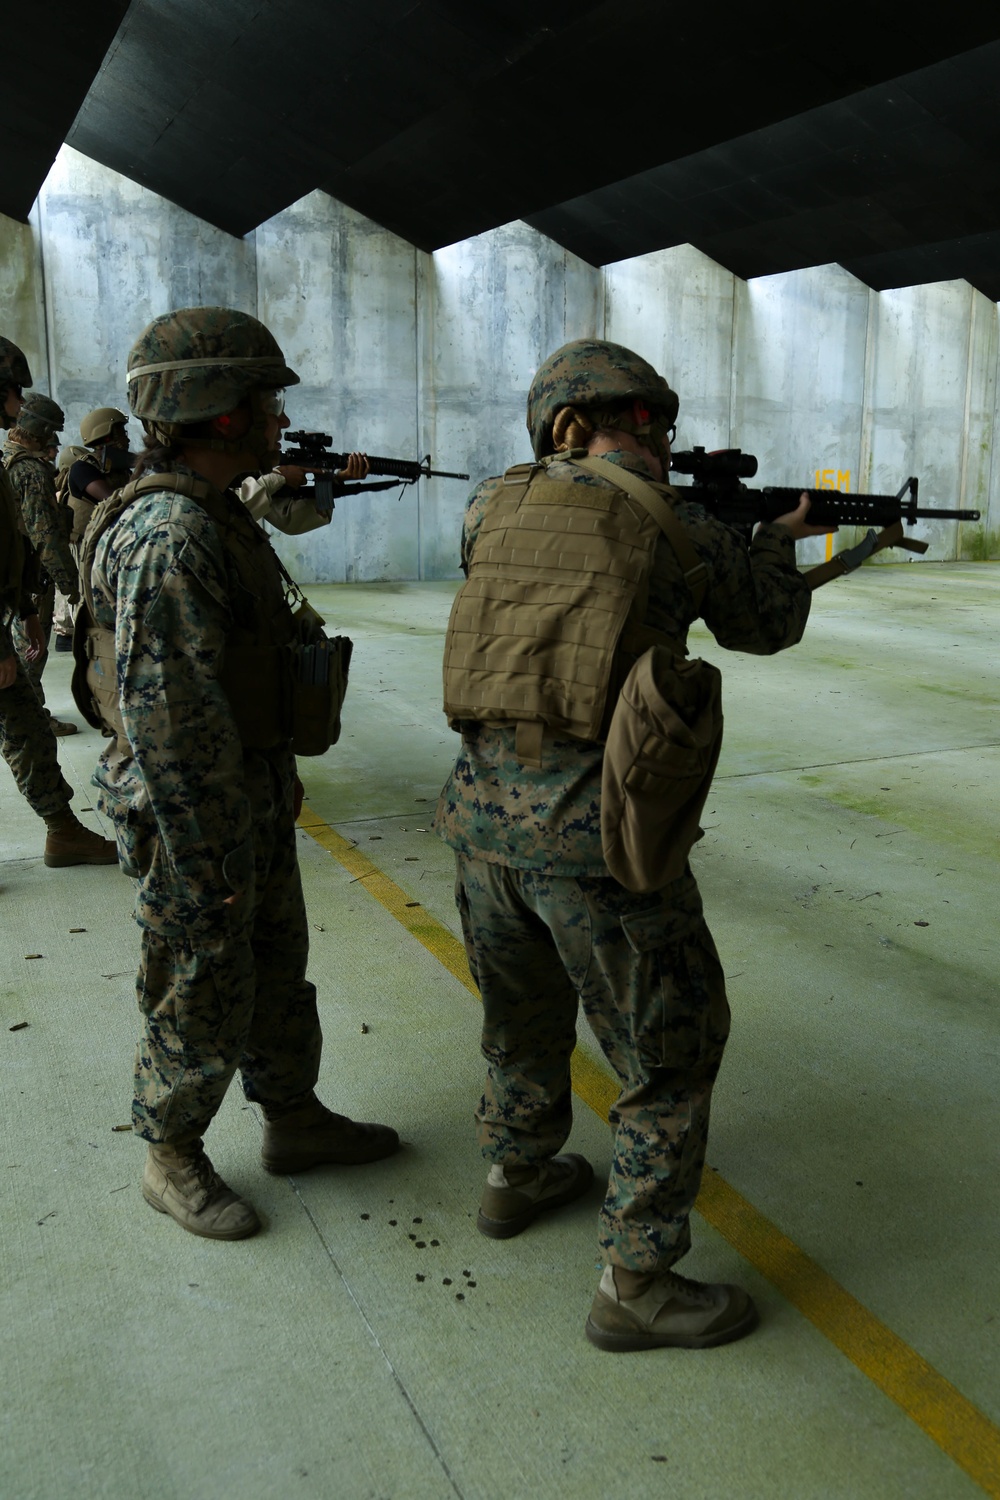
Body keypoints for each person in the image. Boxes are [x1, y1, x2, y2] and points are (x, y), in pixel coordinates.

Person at [434, 339, 832, 1351]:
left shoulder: (489, 504)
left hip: (479, 822)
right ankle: (637, 1283)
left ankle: (516, 1172)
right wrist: (779, 540)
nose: (660, 446)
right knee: (671, 1050)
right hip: (594, 837)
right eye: (652, 427)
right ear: (637, 423)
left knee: (522, 1013)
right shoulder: (677, 521)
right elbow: (762, 626)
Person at [82, 305, 399, 1242]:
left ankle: (292, 1119)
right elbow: (170, 721)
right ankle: (170, 1155)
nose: (276, 418)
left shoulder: (216, 512)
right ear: (219, 412)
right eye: (263, 400)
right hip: (196, 815)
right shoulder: (172, 536)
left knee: (275, 967)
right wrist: (208, 855)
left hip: (244, 794)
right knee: (199, 979)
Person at [0, 335, 117, 866]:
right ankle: (62, 829)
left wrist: (25, 607)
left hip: (13, 608)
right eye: (11, 393)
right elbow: (44, 537)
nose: (15, 405)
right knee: (23, 723)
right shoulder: (23, 468)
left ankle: (62, 829)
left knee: (26, 724)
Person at [3, 389, 79, 733]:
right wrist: (69, 583)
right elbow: (45, 534)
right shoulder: (33, 471)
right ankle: (33, 721)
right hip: (30, 579)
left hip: (13, 574)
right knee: (33, 650)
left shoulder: (7, 457)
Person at [237, 453, 369, 533]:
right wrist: (279, 476)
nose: (285, 422)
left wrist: (336, 479)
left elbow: (290, 521)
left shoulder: (252, 470)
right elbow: (234, 508)